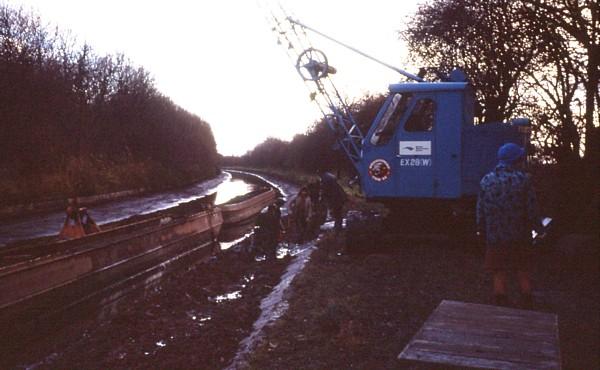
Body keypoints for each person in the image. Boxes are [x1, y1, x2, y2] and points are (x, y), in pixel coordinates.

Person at [476, 143, 540, 308]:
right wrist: (538, 228)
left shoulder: (486, 180)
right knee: (522, 267)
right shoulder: (524, 180)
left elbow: (480, 210)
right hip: (520, 235)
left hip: (495, 236)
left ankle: (500, 298)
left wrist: (481, 230)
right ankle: (527, 300)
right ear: (516, 159)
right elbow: (532, 209)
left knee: (498, 269)